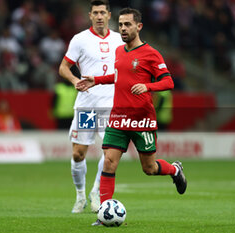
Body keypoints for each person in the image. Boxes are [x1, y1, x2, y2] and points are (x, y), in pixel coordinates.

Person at [76, 7, 187, 226]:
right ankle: (104, 215)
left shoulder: (151, 54)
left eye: (128, 24)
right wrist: (96, 80)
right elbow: (119, 76)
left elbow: (168, 82)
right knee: (108, 162)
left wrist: (147, 86)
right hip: (118, 117)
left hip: (142, 119)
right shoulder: (118, 51)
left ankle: (175, 169)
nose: (123, 28)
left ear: (139, 26)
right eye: (121, 24)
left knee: (149, 168)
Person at [58, 0, 123, 213]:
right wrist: (75, 80)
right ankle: (80, 196)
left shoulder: (119, 39)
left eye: (103, 12)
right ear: (90, 15)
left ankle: (95, 192)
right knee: (78, 154)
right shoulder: (80, 39)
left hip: (110, 106)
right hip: (86, 105)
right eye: (95, 12)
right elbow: (63, 67)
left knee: (109, 153)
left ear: (109, 15)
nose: (99, 16)